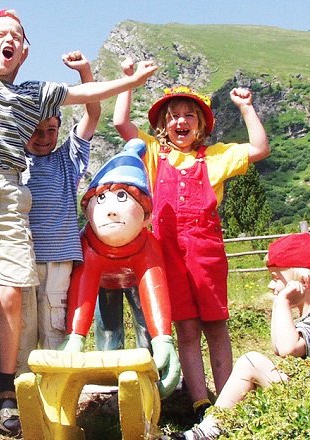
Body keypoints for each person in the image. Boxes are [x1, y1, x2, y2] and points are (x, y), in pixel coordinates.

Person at [0, 1, 157, 433]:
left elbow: (86, 97)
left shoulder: (34, 94)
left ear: (23, 55)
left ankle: (7, 389)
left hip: (10, 194)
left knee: (12, 295)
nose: (10, 39)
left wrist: (129, 81)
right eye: (1, 33)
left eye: (18, 37)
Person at [113, 58, 270, 419]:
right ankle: (200, 401)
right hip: (168, 255)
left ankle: (231, 399)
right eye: (173, 116)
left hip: (207, 255)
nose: (180, 121)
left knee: (216, 327)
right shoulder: (154, 153)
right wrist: (128, 81)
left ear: (200, 126)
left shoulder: (214, 158)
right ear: (163, 125)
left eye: (189, 116)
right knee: (185, 328)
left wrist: (246, 108)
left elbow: (260, 148)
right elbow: (122, 122)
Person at [179, 233, 310, 439]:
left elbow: (286, 349)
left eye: (275, 278)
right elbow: (282, 348)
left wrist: (282, 302)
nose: (271, 286)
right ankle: (216, 425)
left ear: (302, 282)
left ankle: (205, 432)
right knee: (252, 363)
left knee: (250, 362)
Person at [0, 49, 99, 376]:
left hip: (58, 261)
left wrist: (85, 72)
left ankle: (57, 385)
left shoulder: (66, 160)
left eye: (51, 130)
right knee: (19, 324)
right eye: (35, 130)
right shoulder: (11, 164)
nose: (43, 138)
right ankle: (15, 386)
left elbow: (92, 115)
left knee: (54, 323)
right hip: (17, 258)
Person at [61, 139, 181, 398]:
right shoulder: (88, 244)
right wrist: (75, 337)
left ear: (146, 214)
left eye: (123, 197)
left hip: (135, 279)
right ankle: (109, 375)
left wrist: (164, 338)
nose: (111, 211)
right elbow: (83, 291)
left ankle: (150, 369)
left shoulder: (148, 245)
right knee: (107, 326)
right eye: (101, 198)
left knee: (145, 324)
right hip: (104, 282)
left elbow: (154, 289)